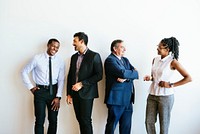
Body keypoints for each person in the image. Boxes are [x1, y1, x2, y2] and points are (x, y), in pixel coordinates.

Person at [143, 37, 192, 134]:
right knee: (149, 122)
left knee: (163, 125)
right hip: (152, 95)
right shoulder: (155, 59)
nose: (157, 48)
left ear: (167, 49)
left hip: (165, 97)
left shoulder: (173, 62)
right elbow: (155, 77)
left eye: (160, 47)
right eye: (158, 46)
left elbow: (188, 78)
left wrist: (170, 84)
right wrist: (150, 78)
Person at [21, 38, 65, 134]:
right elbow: (24, 72)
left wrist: (58, 97)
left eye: (57, 47)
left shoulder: (60, 61)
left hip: (53, 92)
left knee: (53, 121)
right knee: (39, 121)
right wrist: (31, 87)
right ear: (48, 45)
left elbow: (61, 80)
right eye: (53, 46)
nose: (55, 49)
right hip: (40, 92)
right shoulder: (37, 58)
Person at [66, 32, 103, 134]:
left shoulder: (94, 56)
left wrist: (81, 84)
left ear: (82, 41)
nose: (73, 43)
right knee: (80, 120)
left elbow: (99, 75)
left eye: (75, 41)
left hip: (87, 93)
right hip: (75, 93)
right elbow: (70, 76)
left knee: (86, 120)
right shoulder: (74, 57)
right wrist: (69, 93)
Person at [104, 39, 139, 134]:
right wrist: (128, 75)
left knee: (126, 128)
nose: (125, 49)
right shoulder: (110, 60)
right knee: (111, 126)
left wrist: (127, 78)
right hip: (116, 100)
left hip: (128, 99)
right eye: (122, 47)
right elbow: (122, 73)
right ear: (115, 48)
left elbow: (135, 73)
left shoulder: (125, 60)